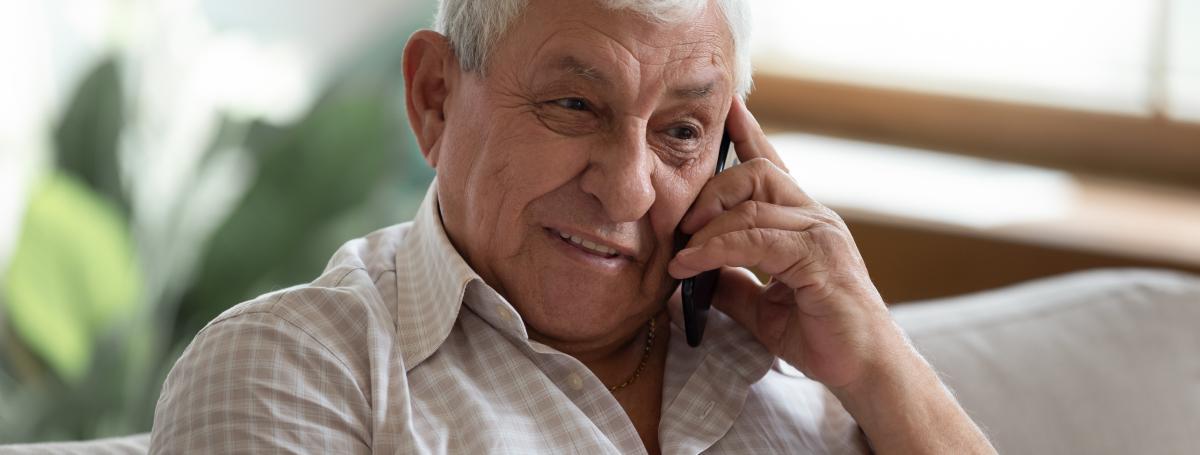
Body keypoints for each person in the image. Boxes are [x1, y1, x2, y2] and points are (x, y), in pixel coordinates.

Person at [150, 0, 997, 453]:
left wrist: (881, 365)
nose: (629, 190)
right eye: (574, 105)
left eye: (681, 132)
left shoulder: (808, 368)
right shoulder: (293, 369)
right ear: (435, 97)